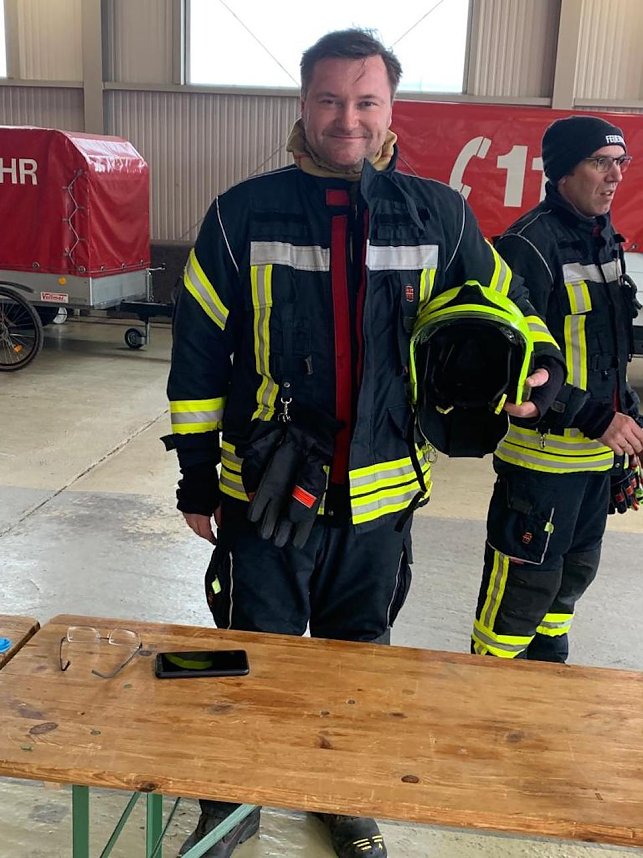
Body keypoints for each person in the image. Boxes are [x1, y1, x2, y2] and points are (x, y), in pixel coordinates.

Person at [164, 28, 562, 858]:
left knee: (358, 667)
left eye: (365, 101)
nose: (346, 118)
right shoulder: (241, 214)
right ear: (303, 106)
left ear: (390, 112)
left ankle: (341, 796)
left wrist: (540, 364)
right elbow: (199, 352)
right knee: (250, 659)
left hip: (382, 499)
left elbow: (507, 302)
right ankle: (229, 806)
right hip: (265, 493)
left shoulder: (439, 213)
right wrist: (197, 480)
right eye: (329, 100)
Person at [472, 115, 643, 664]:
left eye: (621, 162)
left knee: (570, 581)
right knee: (519, 598)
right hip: (542, 467)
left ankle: (548, 688)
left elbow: (605, 353)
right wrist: (594, 418)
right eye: (600, 162)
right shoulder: (529, 245)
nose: (614, 176)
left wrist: (628, 420)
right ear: (565, 170)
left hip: (592, 464)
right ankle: (488, 704)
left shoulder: (604, 240)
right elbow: (511, 366)